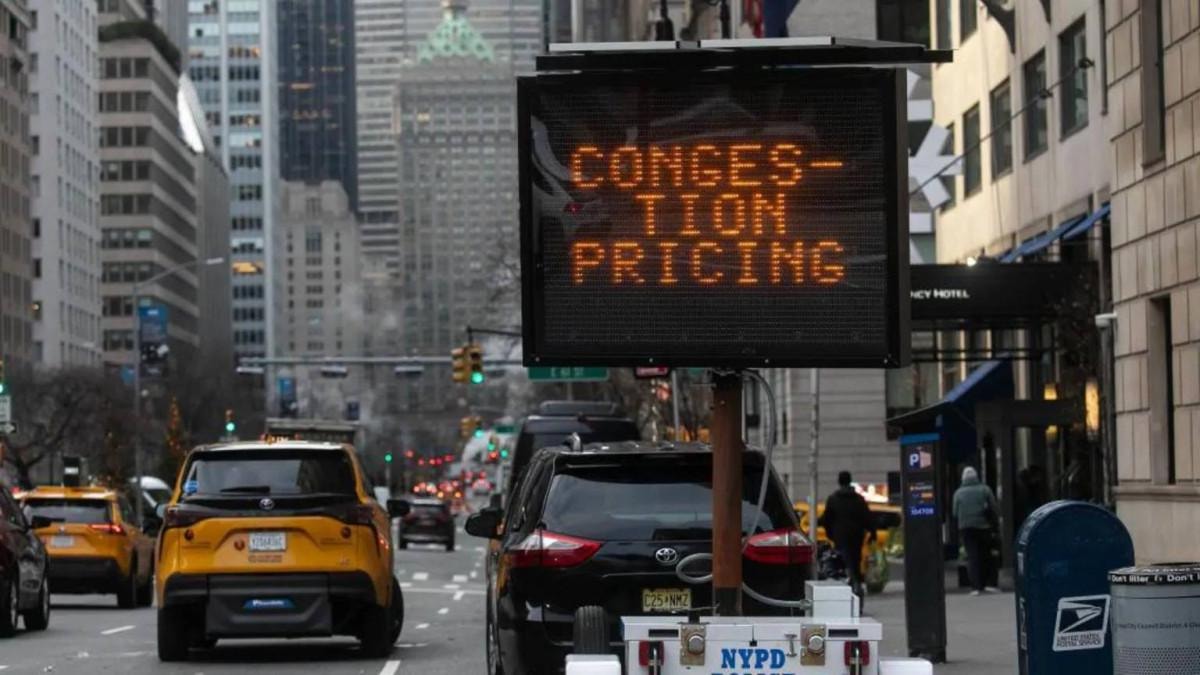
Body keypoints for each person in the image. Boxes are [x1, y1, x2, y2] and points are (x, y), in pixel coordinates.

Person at [821, 471, 874, 600]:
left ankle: (847, 585)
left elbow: (826, 519)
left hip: (840, 536)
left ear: (839, 482)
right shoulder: (858, 499)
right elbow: (867, 518)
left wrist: (830, 533)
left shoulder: (833, 499)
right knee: (855, 562)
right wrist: (872, 532)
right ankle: (856, 585)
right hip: (856, 536)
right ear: (850, 481)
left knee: (843, 561)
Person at [953, 466, 1000, 596]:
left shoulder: (958, 493)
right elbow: (994, 508)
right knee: (985, 554)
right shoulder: (985, 489)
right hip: (983, 527)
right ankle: (988, 583)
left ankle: (975, 586)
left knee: (972, 556)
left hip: (966, 528)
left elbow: (955, 512)